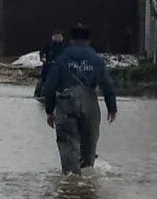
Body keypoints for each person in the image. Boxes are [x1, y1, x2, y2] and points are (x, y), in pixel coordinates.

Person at [42, 23, 118, 175]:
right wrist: (112, 108)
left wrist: (50, 111)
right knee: (88, 151)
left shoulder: (62, 59)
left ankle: (71, 186)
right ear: (88, 41)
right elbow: (107, 85)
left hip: (66, 103)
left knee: (69, 146)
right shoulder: (96, 59)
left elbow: (49, 87)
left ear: (71, 40)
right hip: (90, 105)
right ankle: (87, 190)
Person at [35, 29, 66, 98]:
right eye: (56, 37)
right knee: (43, 79)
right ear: (53, 37)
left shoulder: (64, 46)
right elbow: (42, 52)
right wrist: (42, 58)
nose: (58, 38)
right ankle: (39, 93)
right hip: (48, 65)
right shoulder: (49, 45)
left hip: (59, 66)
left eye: (59, 37)